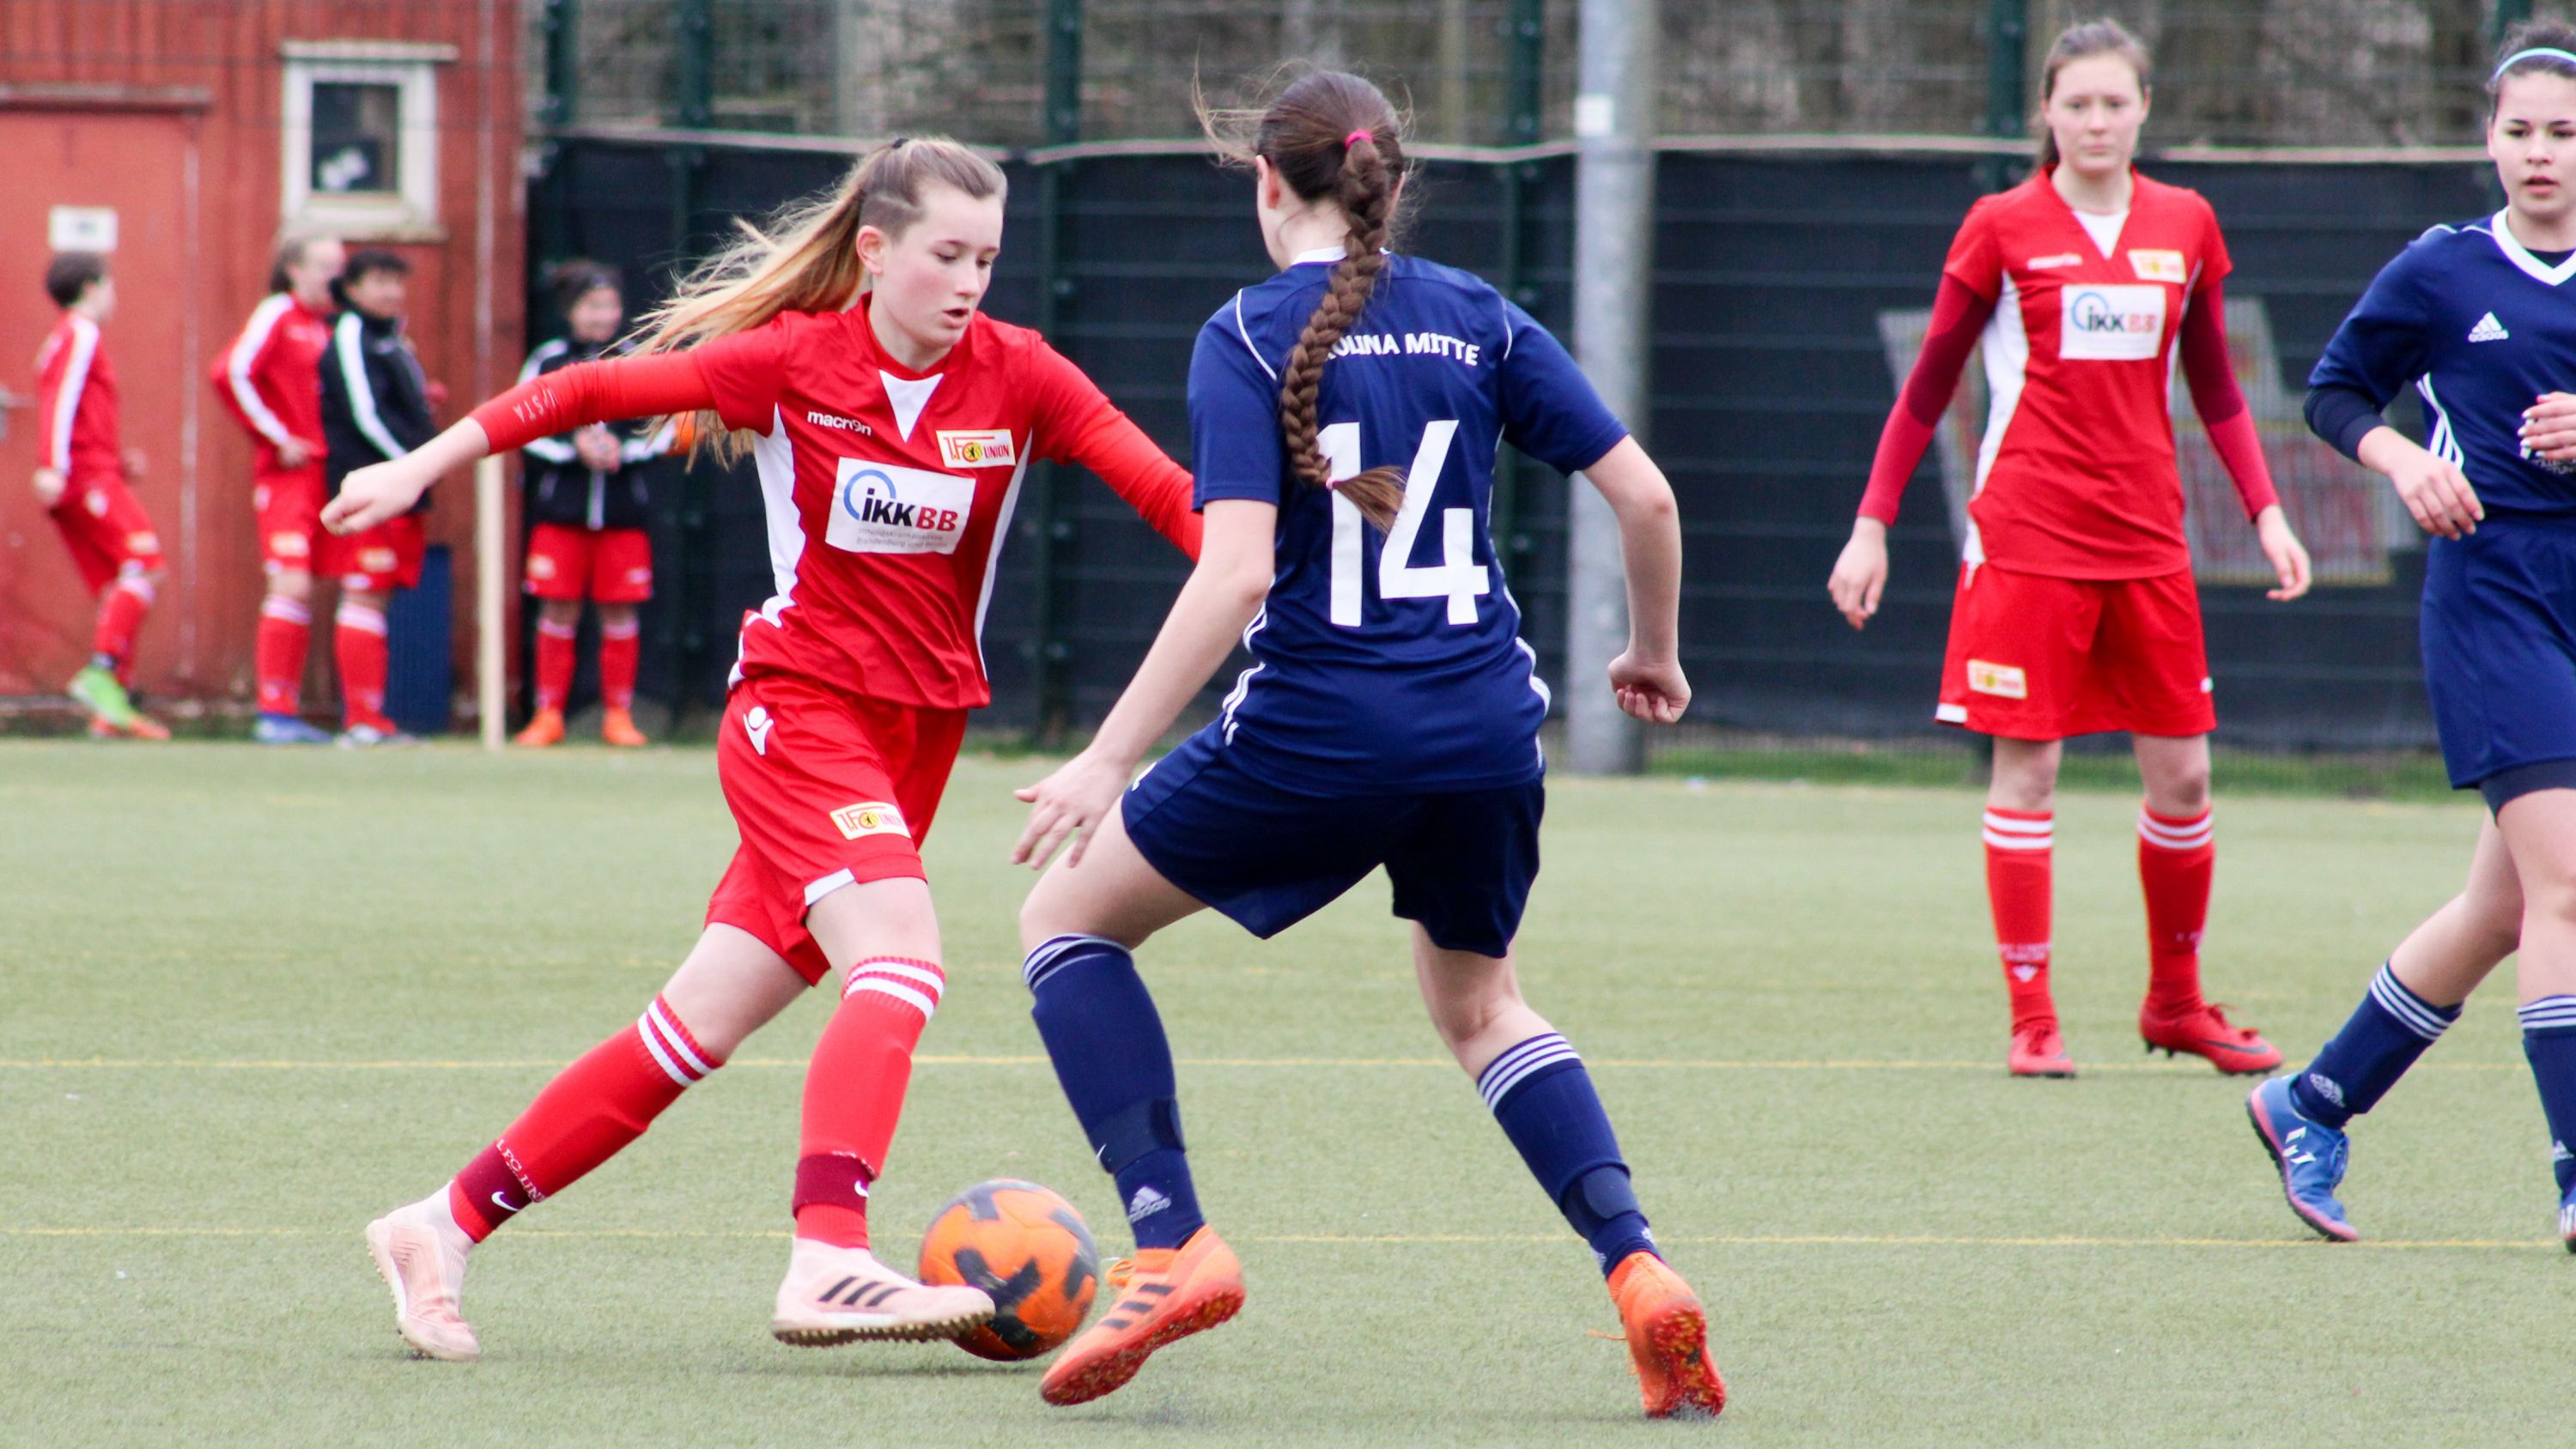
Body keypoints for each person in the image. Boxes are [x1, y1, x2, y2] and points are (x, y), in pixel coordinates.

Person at [327, 138, 1203, 1361]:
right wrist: (421, 463)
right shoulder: (798, 364)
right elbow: (588, 394)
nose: (969, 283)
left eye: (989, 259)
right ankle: (831, 1253)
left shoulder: (1022, 378)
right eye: (947, 255)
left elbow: (1178, 503)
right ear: (876, 250)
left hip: (910, 744)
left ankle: (441, 1222)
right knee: (900, 961)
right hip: (798, 714)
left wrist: (1292, 544)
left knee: (689, 1031)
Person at [1005, 72, 1721, 1418]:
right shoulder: (1479, 318)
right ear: (1383, 180)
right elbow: (1647, 494)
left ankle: (1169, 1241)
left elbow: (1230, 580)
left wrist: (1106, 756)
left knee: (1066, 928)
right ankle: (1639, 1269)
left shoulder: (1248, 332)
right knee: (1484, 1007)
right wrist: (1652, 654)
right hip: (1486, 731)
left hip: (1322, 733)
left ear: (1269, 184)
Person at [1825, 19, 2314, 1079]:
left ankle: (2176, 1002)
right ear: (2046, 112)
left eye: (2115, 102)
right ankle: (2033, 1017)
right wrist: (1873, 523)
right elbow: (1929, 388)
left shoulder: (2187, 223)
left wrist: (2269, 511)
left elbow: (2219, 389)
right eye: (2077, 103)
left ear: (2145, 109)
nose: (2096, 120)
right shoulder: (2002, 225)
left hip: (2148, 540)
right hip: (2027, 536)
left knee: (2184, 776)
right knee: (2029, 770)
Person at [2251, 26, 2576, 1250]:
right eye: (2519, 129)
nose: (2539, 153)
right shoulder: (2443, 270)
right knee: (2571, 885)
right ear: (2488, 138)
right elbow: (2336, 389)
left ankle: (2312, 1099)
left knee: (2508, 908)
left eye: (2563, 132)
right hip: (2492, 595)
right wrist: (2398, 460)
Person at [513, 261, 673, 749]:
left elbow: (662, 429)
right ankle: (548, 716)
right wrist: (571, 450)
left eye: (610, 305)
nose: (603, 316)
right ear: (570, 311)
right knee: (557, 611)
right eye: (592, 306)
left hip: (623, 516)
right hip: (561, 513)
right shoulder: (547, 361)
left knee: (619, 613)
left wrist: (623, 453)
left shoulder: (635, 357)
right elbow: (520, 425)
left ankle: (618, 717)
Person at [212, 230, 343, 743]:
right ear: (293, 268)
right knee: (289, 584)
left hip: (325, 475)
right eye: (323, 266)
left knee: (314, 587)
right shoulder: (277, 313)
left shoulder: (327, 327)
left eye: (338, 266)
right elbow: (231, 372)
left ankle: (290, 714)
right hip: (286, 474)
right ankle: (273, 713)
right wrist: (275, 435)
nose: (332, 276)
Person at [31, 252, 167, 739]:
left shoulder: (67, 336)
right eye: (111, 285)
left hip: (90, 470)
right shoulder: (81, 332)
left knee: (118, 587)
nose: (115, 296)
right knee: (147, 566)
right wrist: (54, 463)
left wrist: (114, 459)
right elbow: (59, 399)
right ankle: (101, 673)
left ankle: (110, 715)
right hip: (82, 476)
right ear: (92, 287)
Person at [319, 249, 440, 745]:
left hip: (403, 492)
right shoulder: (351, 334)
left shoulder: (394, 339)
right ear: (351, 288)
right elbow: (363, 412)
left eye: (397, 281)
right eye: (379, 281)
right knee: (363, 592)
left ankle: (374, 719)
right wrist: (410, 466)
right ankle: (361, 720)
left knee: (380, 595)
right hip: (369, 489)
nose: (391, 291)